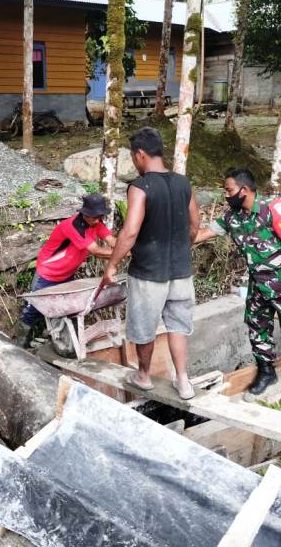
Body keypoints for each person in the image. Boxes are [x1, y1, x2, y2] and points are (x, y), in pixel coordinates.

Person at [100, 127, 199, 400]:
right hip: (181, 271)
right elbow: (195, 225)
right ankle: (183, 381)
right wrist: (181, 248)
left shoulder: (140, 187)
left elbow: (130, 232)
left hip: (149, 274)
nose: (134, 162)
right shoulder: (183, 183)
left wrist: (111, 266)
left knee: (145, 327)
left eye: (133, 157)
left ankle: (143, 376)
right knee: (178, 325)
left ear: (140, 154)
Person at [194, 169, 281, 395]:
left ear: (244, 190)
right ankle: (267, 371)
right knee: (257, 327)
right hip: (257, 283)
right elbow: (203, 234)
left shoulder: (272, 208)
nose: (226, 195)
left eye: (229, 190)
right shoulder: (232, 217)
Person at [17, 194, 117, 348]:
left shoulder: (97, 223)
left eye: (99, 216)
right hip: (48, 273)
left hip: (67, 274)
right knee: (34, 309)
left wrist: (124, 247)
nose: (97, 220)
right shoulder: (72, 226)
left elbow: (112, 240)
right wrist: (122, 253)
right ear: (84, 213)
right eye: (93, 216)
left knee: (68, 308)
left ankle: (54, 338)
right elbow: (96, 251)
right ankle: (20, 344)